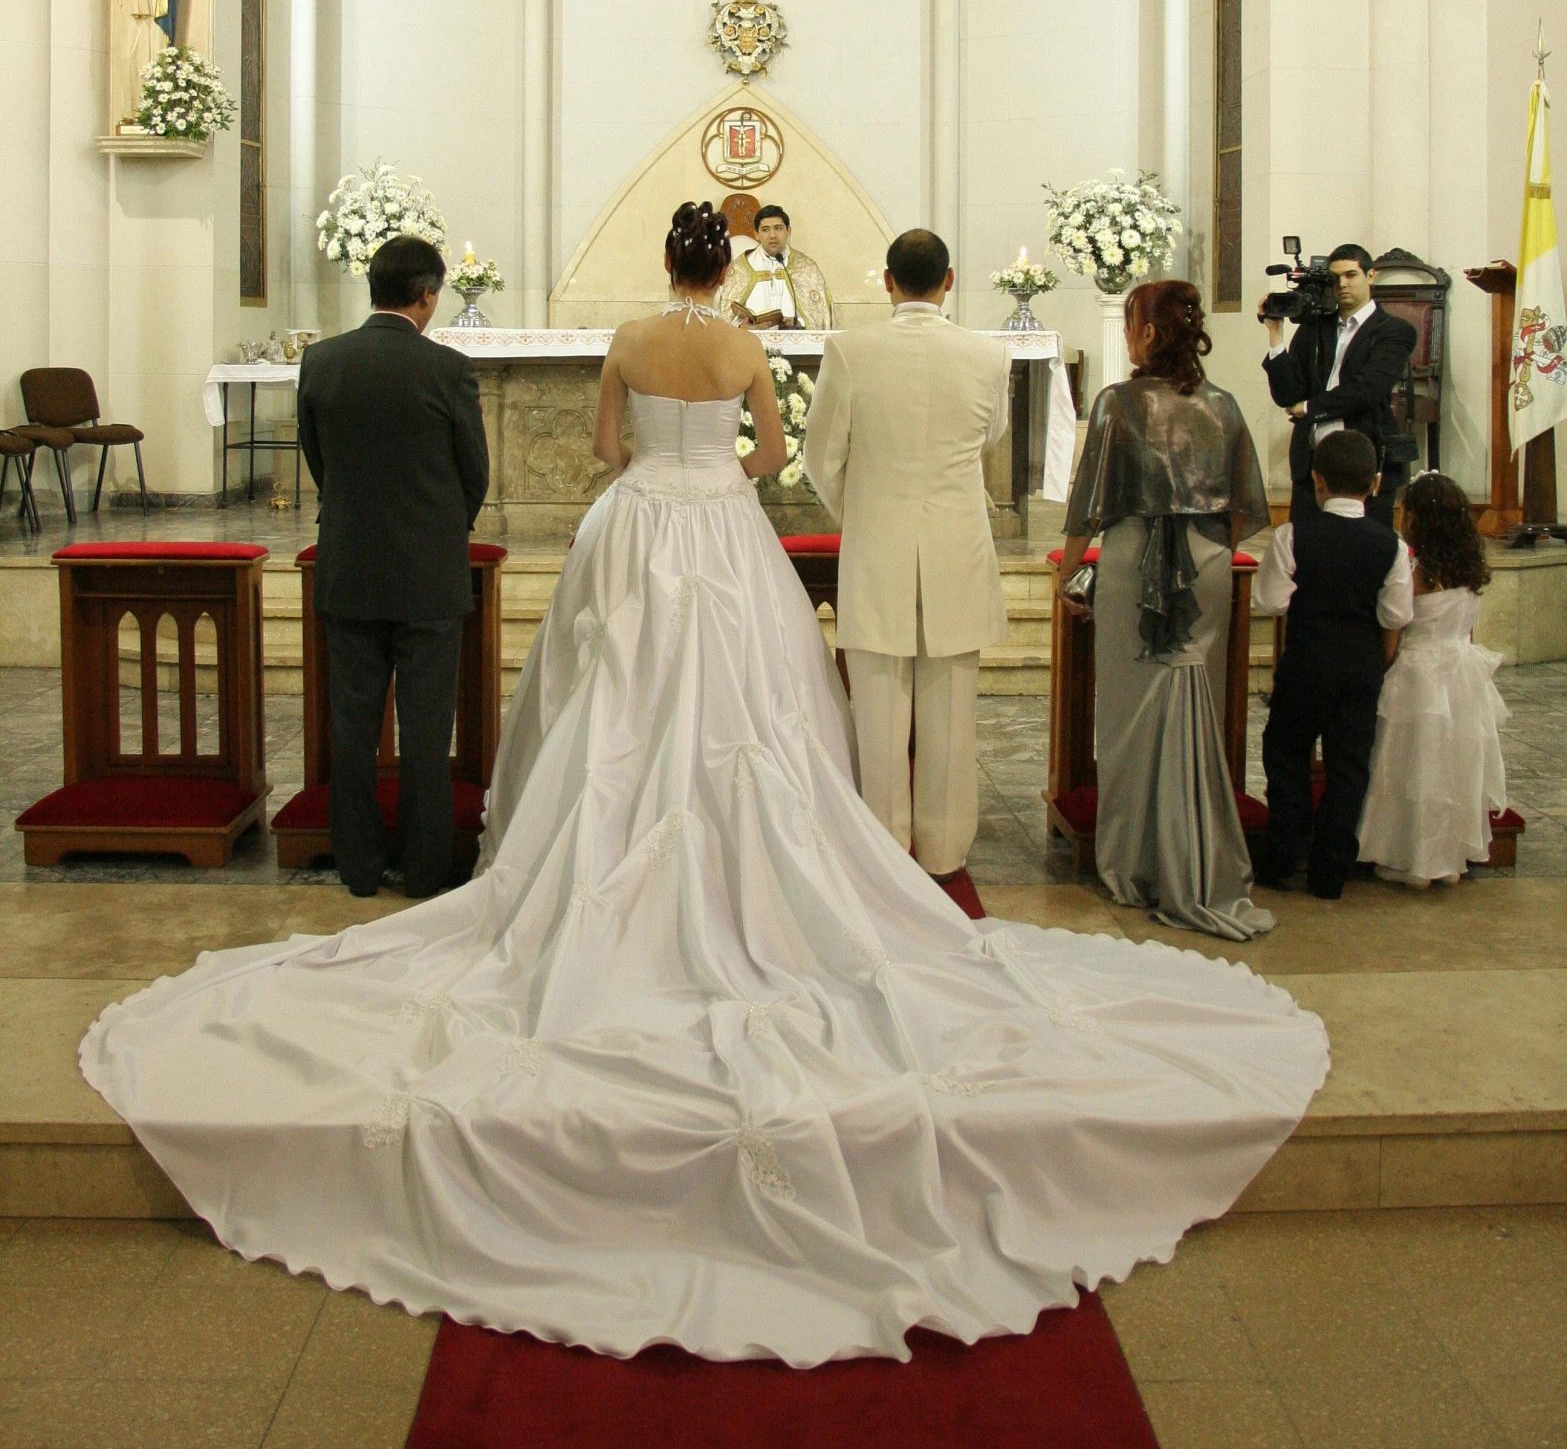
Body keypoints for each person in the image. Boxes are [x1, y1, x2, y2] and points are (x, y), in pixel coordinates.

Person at [79, 205, 1329, 1367]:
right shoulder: (740, 342)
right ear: (722, 266)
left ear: (662, 263)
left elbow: (607, 443)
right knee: (752, 711)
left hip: (637, 530)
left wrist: (655, 461)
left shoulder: (626, 335)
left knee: (609, 705)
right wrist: (722, 452)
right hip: (718, 531)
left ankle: (582, 866)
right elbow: (773, 456)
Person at [1059, 280, 1275, 940]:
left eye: (1130, 323)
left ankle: (1134, 860)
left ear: (1149, 333)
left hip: (1129, 560)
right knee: (1192, 702)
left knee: (1128, 715)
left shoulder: (1116, 403)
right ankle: (1197, 853)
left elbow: (1086, 508)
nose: (1128, 335)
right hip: (1208, 563)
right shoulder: (1225, 405)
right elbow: (1243, 511)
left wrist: (1068, 571)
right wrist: (1204, 554)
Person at [803, 228, 1007, 880]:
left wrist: (862, 511)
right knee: (951, 709)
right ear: (948, 282)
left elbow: (821, 458)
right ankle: (945, 852)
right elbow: (989, 436)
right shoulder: (986, 355)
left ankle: (883, 852)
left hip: (878, 547)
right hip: (956, 544)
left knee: (879, 709)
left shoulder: (850, 349)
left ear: (886, 282)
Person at [296, 235, 490, 899]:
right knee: (427, 729)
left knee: (352, 729)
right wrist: (438, 531)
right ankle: (424, 869)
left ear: (372, 287)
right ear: (427, 294)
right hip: (429, 575)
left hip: (349, 566)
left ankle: (357, 867)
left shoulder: (322, 363)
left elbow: (318, 460)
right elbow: (474, 474)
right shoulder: (447, 370)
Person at [1253, 428, 1415, 900]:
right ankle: (1330, 872)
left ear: (1317, 481)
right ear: (1376, 483)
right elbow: (1396, 616)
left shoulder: (1292, 536)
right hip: (1361, 665)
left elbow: (1270, 602)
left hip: (1307, 659)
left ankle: (1285, 852)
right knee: (1349, 765)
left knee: (1286, 750)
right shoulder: (1392, 546)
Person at [1358, 472, 1508, 888]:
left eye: (1403, 512)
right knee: (1452, 766)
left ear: (1419, 521)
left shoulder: (1415, 572)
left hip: (1418, 675)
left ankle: (1410, 856)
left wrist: (1381, 669)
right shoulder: (1471, 570)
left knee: (1412, 767)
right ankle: (1447, 855)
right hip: (1462, 675)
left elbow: (1393, 634)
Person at [1260, 244, 1416, 528]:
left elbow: (1367, 390)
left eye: (1351, 275)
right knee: (1306, 552)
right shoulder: (1314, 328)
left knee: (1366, 555)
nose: (1342, 284)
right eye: (1335, 278)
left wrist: (1308, 408)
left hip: (1365, 460)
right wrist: (1275, 335)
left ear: (1371, 276)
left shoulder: (1395, 331)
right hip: (1313, 464)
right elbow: (1287, 394)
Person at [720, 203, 833, 330]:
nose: (772, 235)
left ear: (788, 231)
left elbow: (820, 316)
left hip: (795, 344)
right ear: (756, 234)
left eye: (778, 228)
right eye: (765, 229)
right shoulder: (741, 268)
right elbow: (725, 319)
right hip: (752, 344)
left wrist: (798, 322)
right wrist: (742, 327)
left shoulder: (806, 268)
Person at [110, 0, 169, 125]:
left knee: (147, 59)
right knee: (127, 57)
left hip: (148, 13)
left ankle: (147, 111)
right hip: (131, 12)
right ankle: (129, 111)